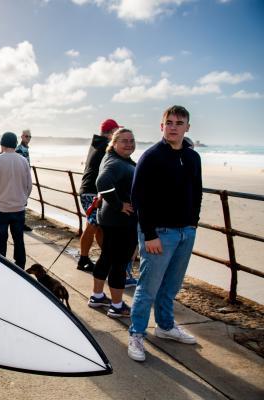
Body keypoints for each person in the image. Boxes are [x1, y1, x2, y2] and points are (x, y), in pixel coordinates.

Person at [127, 105, 202, 362]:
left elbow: (197, 192)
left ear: (187, 128)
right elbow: (138, 198)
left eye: (179, 123)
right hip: (159, 233)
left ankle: (165, 326)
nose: (173, 126)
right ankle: (136, 334)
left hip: (185, 232)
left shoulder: (193, 158)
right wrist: (149, 234)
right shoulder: (151, 157)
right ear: (162, 126)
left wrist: (193, 224)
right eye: (168, 122)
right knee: (148, 287)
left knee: (171, 286)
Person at [87, 128, 137, 318]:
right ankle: (117, 306)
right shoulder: (116, 163)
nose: (129, 144)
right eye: (124, 141)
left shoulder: (115, 159)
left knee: (107, 257)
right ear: (114, 143)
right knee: (119, 262)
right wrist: (119, 205)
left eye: (132, 140)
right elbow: (102, 182)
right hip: (120, 221)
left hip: (110, 219)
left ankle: (97, 296)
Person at [77, 118, 121, 272]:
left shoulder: (97, 143)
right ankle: (83, 259)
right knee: (93, 225)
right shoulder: (105, 147)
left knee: (98, 228)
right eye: (117, 132)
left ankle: (106, 257)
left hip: (88, 190)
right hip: (92, 192)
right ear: (111, 133)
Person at [0, 132, 33, 269]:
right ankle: (20, 265)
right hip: (18, 208)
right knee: (19, 239)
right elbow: (29, 186)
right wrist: (23, 199)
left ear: (2, 144)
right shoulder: (23, 161)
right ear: (14, 144)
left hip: (1, 208)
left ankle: (1, 267)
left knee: (1, 240)